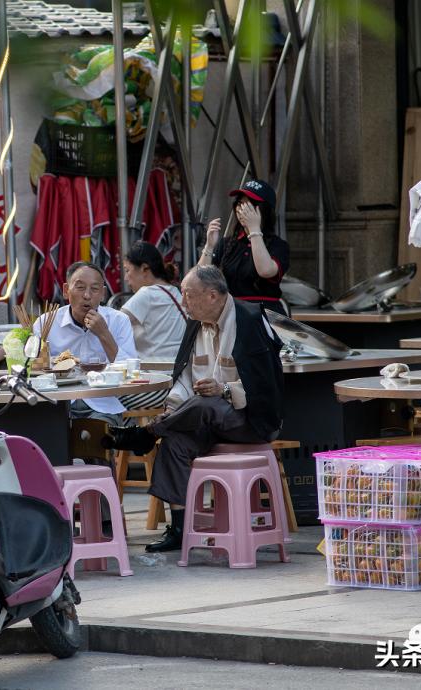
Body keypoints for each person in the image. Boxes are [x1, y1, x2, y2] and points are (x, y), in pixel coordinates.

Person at [144, 265, 284, 553]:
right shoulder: (195, 322)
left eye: (188, 296)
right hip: (206, 419)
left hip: (251, 419)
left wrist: (223, 390)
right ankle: (179, 529)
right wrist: (172, 409)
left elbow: (265, 385)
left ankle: (145, 434)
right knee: (175, 441)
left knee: (207, 404)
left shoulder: (250, 319)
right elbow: (183, 379)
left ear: (211, 296)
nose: (184, 303)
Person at [33, 262, 137, 425]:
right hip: (56, 404)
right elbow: (33, 368)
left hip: (102, 405)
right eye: (80, 287)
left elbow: (130, 372)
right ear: (66, 290)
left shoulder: (118, 320)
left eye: (94, 289)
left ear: (102, 294)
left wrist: (103, 334)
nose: (87, 296)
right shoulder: (46, 323)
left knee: (93, 439)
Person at [198, 179, 291, 315]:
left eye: (250, 205)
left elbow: (266, 270)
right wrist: (209, 246)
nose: (243, 210)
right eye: (240, 204)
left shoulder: (278, 245)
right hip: (231, 313)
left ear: (264, 210)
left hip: (265, 315)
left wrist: (254, 230)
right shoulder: (227, 243)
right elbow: (201, 278)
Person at [121, 241, 186, 360]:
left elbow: (115, 324)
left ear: (144, 269)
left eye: (127, 270)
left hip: (153, 373)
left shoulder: (147, 294)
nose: (125, 278)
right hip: (179, 372)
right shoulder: (175, 292)